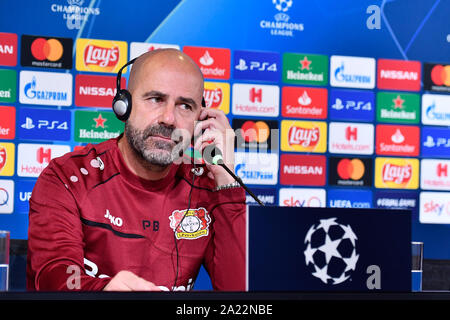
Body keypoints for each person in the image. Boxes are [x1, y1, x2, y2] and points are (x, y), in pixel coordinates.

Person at [26, 49, 246, 291]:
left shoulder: (208, 185)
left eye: (185, 106)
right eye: (156, 99)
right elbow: (52, 276)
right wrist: (102, 292)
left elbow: (240, 294)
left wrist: (227, 180)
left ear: (200, 120)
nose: (169, 119)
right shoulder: (69, 176)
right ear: (124, 105)